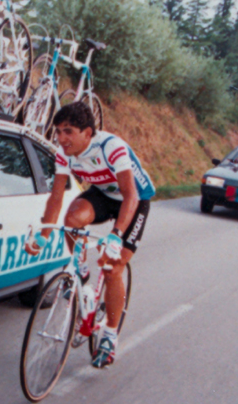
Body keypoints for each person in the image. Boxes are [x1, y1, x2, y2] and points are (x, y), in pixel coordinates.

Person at [26, 101, 154, 369]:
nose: (61, 138)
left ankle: (109, 336)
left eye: (68, 131)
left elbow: (131, 195)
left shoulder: (111, 147)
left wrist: (116, 235)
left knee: (112, 266)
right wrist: (44, 235)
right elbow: (56, 197)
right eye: (58, 131)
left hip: (133, 201)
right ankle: (80, 272)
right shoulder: (64, 153)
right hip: (104, 195)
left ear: (87, 132)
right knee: (72, 218)